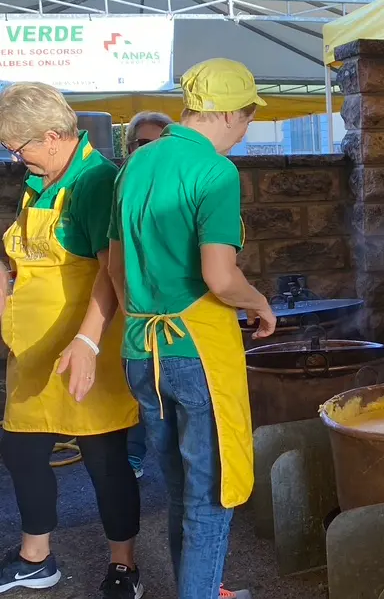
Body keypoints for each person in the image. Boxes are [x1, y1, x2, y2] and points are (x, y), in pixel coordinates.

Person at [107, 58, 276, 599]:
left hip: (140, 351)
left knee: (180, 489)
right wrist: (259, 303)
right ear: (227, 111)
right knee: (213, 495)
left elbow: (114, 268)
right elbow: (219, 277)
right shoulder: (216, 172)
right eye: (247, 118)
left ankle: (203, 588)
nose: (246, 131)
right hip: (196, 352)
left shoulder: (137, 162)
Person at [0, 82, 143, 598]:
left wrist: (86, 342)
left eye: (21, 148)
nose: (18, 160)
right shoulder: (42, 180)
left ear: (55, 136)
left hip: (88, 346)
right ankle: (36, 558)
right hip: (36, 352)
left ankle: (123, 565)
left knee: (105, 458)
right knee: (19, 449)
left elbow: (111, 272)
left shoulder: (95, 181)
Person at [121, 111, 172, 478]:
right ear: (130, 148)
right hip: (133, 316)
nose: (153, 148)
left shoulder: (179, 187)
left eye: (160, 141)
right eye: (144, 142)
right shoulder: (122, 186)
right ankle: (132, 454)